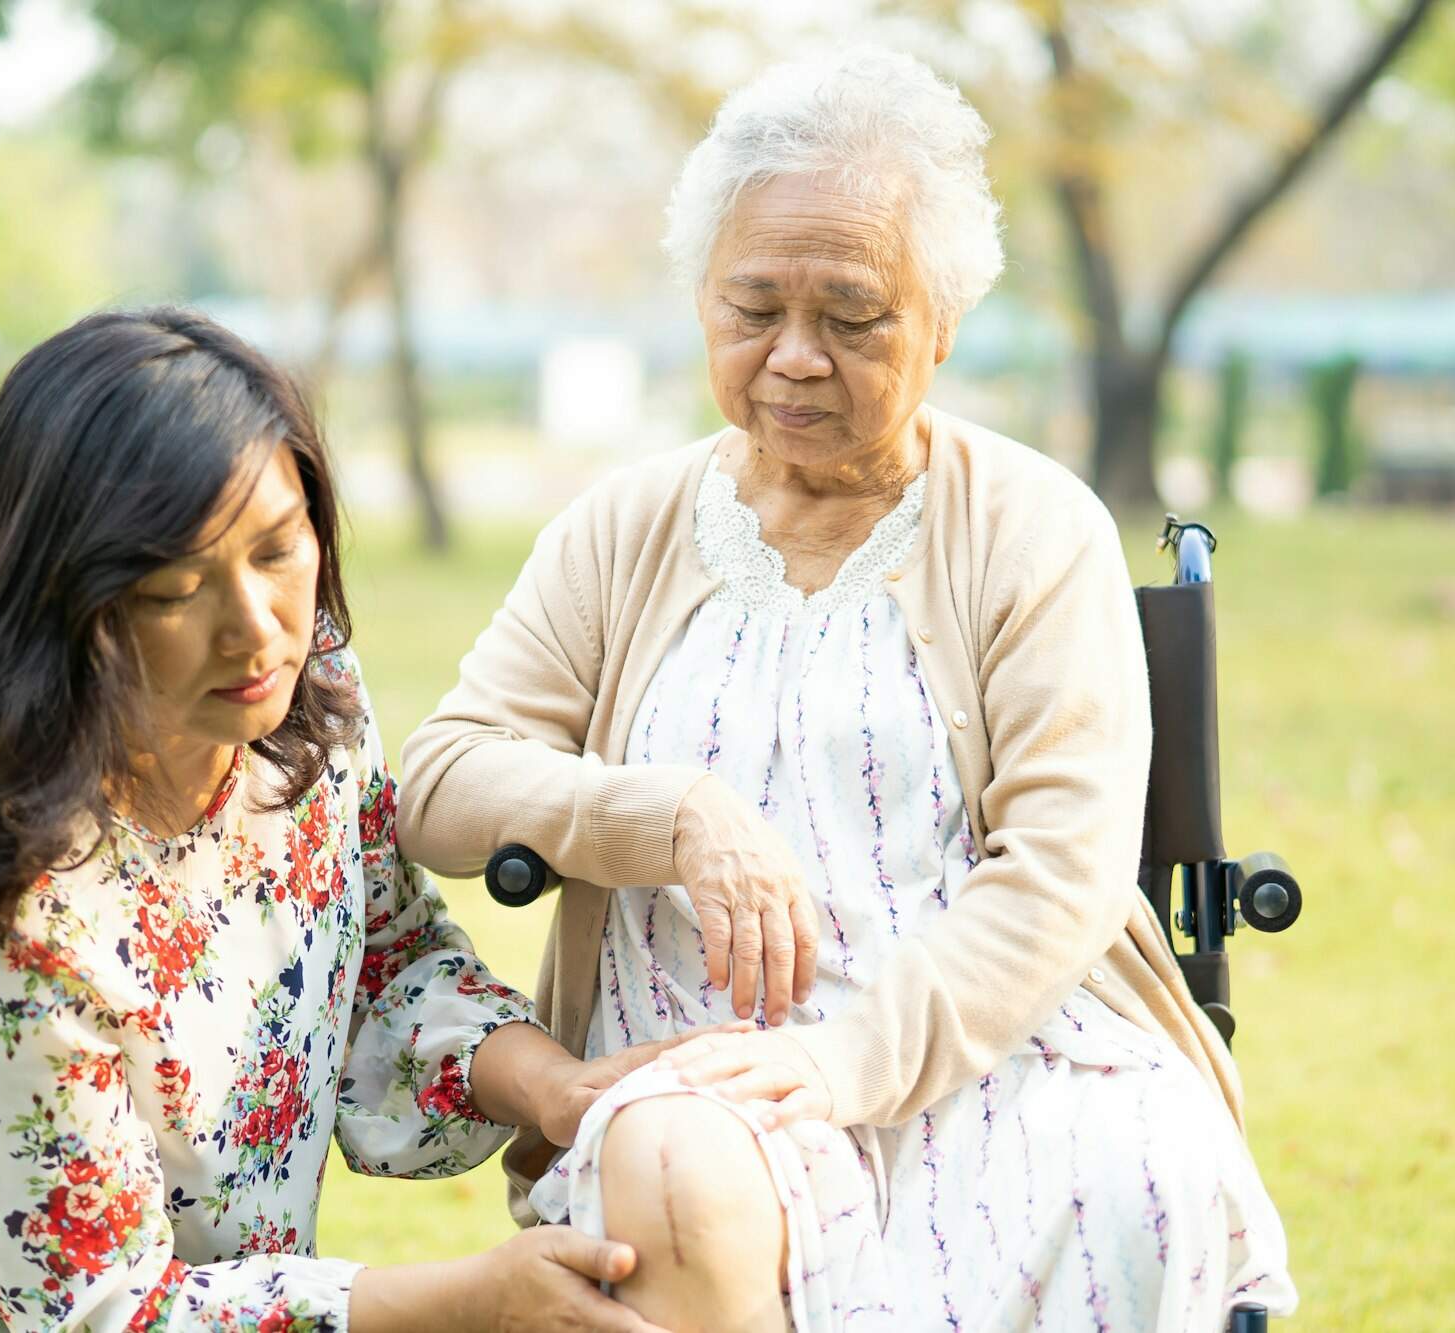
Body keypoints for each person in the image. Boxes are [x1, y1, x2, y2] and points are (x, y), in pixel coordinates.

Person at [399, 48, 1298, 1332]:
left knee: (1135, 1174)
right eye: (750, 307)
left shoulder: (1033, 526)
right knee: (675, 1162)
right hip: (699, 1064)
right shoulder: (627, 526)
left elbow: (1060, 869)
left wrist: (841, 1063)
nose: (794, 358)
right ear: (699, 301)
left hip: (996, 1047)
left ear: (941, 320)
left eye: (852, 314)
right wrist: (669, 814)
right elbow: (437, 779)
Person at [0, 308, 695, 1332]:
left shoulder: (305, 691)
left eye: (279, 550)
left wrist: (554, 1087)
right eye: (174, 588)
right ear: (63, 602)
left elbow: (382, 956)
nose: (255, 629)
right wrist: (477, 1299)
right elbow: (114, 1310)